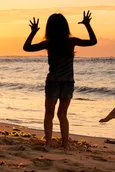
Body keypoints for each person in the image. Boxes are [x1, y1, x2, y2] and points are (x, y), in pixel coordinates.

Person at [23, 11, 97, 151]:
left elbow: (27, 47)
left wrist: (33, 32)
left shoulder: (49, 43)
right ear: (65, 27)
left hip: (53, 83)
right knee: (62, 114)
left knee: (49, 113)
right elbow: (93, 41)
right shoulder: (71, 41)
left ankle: (48, 144)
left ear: (49, 28)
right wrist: (87, 25)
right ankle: (65, 145)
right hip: (68, 83)